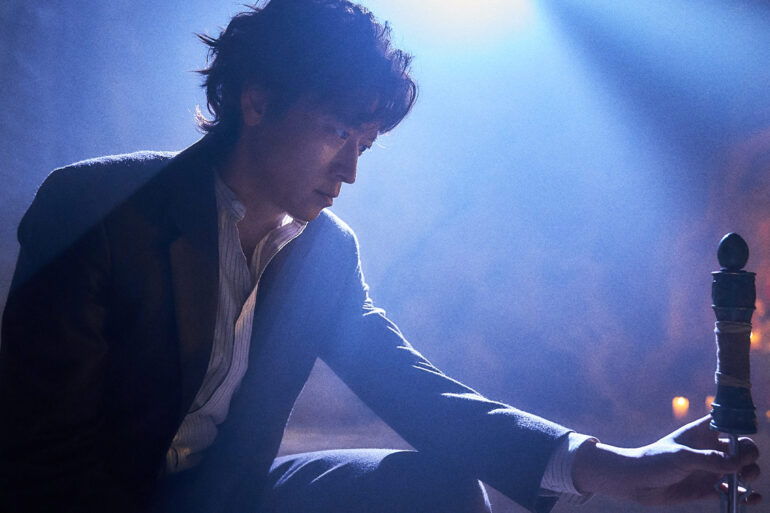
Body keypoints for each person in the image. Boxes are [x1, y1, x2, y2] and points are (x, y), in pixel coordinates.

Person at [0, 1, 761, 512]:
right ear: (255, 102)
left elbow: (415, 391)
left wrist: (617, 466)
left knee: (440, 489)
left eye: (364, 145)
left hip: (231, 495)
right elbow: (41, 453)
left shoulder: (325, 253)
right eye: (338, 132)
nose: (351, 171)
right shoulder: (97, 209)